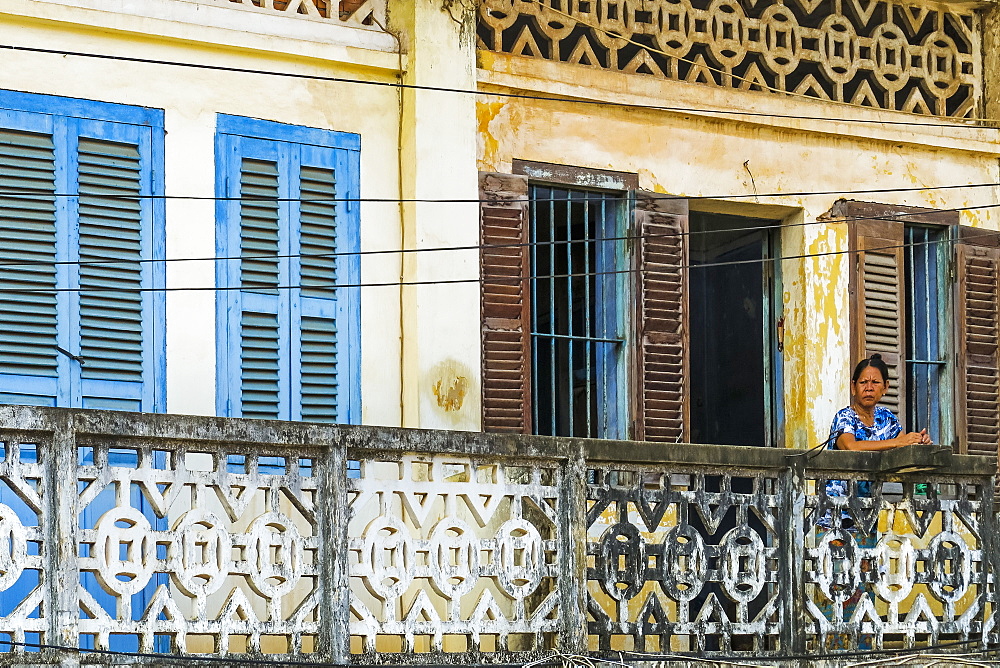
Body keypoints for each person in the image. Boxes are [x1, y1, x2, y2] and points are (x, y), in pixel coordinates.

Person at [829, 353, 931, 451]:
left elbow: (903, 444)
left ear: (885, 387)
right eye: (863, 382)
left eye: (875, 382)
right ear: (853, 387)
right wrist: (896, 443)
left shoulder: (886, 417)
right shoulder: (844, 417)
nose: (869, 388)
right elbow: (850, 447)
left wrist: (918, 442)